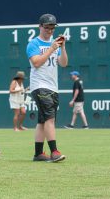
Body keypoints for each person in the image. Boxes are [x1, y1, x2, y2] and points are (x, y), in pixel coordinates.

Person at [26, 13, 68, 162]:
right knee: (50, 119)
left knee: (42, 121)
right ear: (40, 27)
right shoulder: (34, 44)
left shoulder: (54, 44)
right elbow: (36, 63)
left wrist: (62, 48)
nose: (50, 31)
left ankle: (38, 154)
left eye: (52, 28)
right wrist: (51, 48)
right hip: (40, 86)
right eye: (47, 27)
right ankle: (54, 151)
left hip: (52, 87)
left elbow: (63, 63)